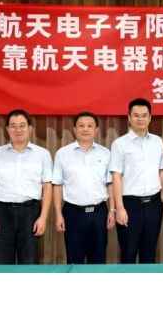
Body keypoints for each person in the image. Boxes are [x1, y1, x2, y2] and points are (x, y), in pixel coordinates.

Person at [0, 110, 53, 264]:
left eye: (22, 125)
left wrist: (43, 217)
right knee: (2, 262)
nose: (18, 130)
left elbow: (47, 187)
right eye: (13, 126)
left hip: (30, 212)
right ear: (7, 129)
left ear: (30, 128)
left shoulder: (42, 154)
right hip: (2, 213)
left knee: (29, 262)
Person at [53, 112, 115, 264]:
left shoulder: (106, 153)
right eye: (81, 126)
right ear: (74, 129)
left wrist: (112, 210)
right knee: (74, 260)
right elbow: (57, 185)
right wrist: (58, 214)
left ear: (96, 130)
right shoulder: (63, 153)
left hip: (99, 213)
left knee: (98, 260)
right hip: (73, 214)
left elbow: (110, 184)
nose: (85, 129)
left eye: (89, 126)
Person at [110, 99, 163, 264]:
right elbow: (116, 177)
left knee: (149, 253)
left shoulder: (157, 141)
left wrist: (161, 198)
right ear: (129, 118)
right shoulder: (119, 144)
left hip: (154, 204)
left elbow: (162, 170)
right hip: (130, 205)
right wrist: (119, 208)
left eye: (144, 115)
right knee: (128, 252)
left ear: (150, 117)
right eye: (136, 115)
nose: (140, 119)